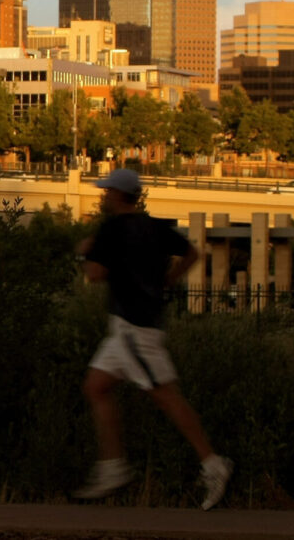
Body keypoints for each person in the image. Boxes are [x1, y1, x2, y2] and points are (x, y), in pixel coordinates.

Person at [72, 168, 233, 510]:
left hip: (133, 329)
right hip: (134, 326)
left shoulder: (111, 229)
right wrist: (169, 280)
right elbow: (192, 253)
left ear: (118, 195)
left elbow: (95, 275)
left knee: (166, 396)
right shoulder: (155, 227)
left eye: (107, 191)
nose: (104, 196)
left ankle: (213, 464)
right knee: (96, 386)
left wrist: (84, 252)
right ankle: (113, 467)